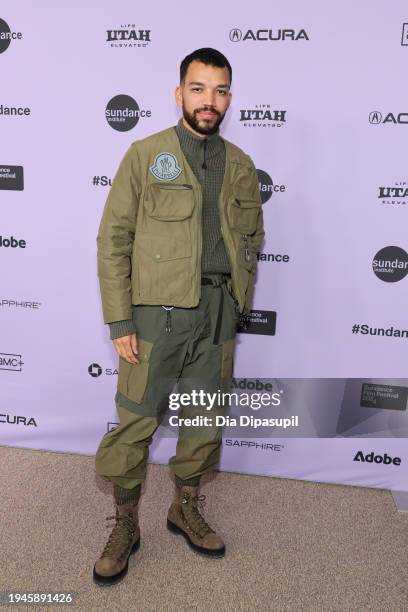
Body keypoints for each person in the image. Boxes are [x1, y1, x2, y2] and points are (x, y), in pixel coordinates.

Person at [93, 47, 265, 586]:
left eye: (218, 91)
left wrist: (238, 303)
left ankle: (183, 507)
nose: (208, 100)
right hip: (155, 316)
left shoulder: (240, 164)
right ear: (178, 94)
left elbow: (252, 239)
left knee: (203, 420)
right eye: (198, 88)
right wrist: (121, 322)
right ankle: (125, 523)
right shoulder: (145, 155)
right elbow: (113, 240)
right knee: (137, 420)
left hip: (216, 314)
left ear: (229, 98)